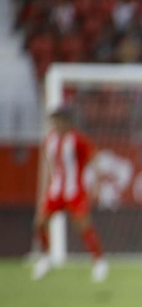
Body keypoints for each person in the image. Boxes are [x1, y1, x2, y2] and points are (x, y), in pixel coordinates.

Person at [32, 107, 108, 283]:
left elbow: (94, 156)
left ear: (67, 121)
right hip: (56, 191)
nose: (56, 124)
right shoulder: (49, 140)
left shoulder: (76, 139)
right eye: (54, 120)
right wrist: (47, 187)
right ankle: (46, 258)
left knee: (82, 226)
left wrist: (96, 182)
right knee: (39, 223)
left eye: (59, 120)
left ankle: (99, 262)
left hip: (75, 190)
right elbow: (50, 166)